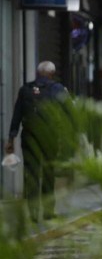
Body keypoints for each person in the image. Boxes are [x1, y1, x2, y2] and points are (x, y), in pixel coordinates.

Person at [6, 61, 68, 221]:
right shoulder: (58, 89)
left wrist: (11, 138)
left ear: (38, 73)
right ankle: (47, 211)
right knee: (48, 173)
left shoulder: (25, 89)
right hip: (49, 138)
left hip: (28, 136)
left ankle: (32, 213)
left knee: (31, 174)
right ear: (52, 74)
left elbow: (17, 115)